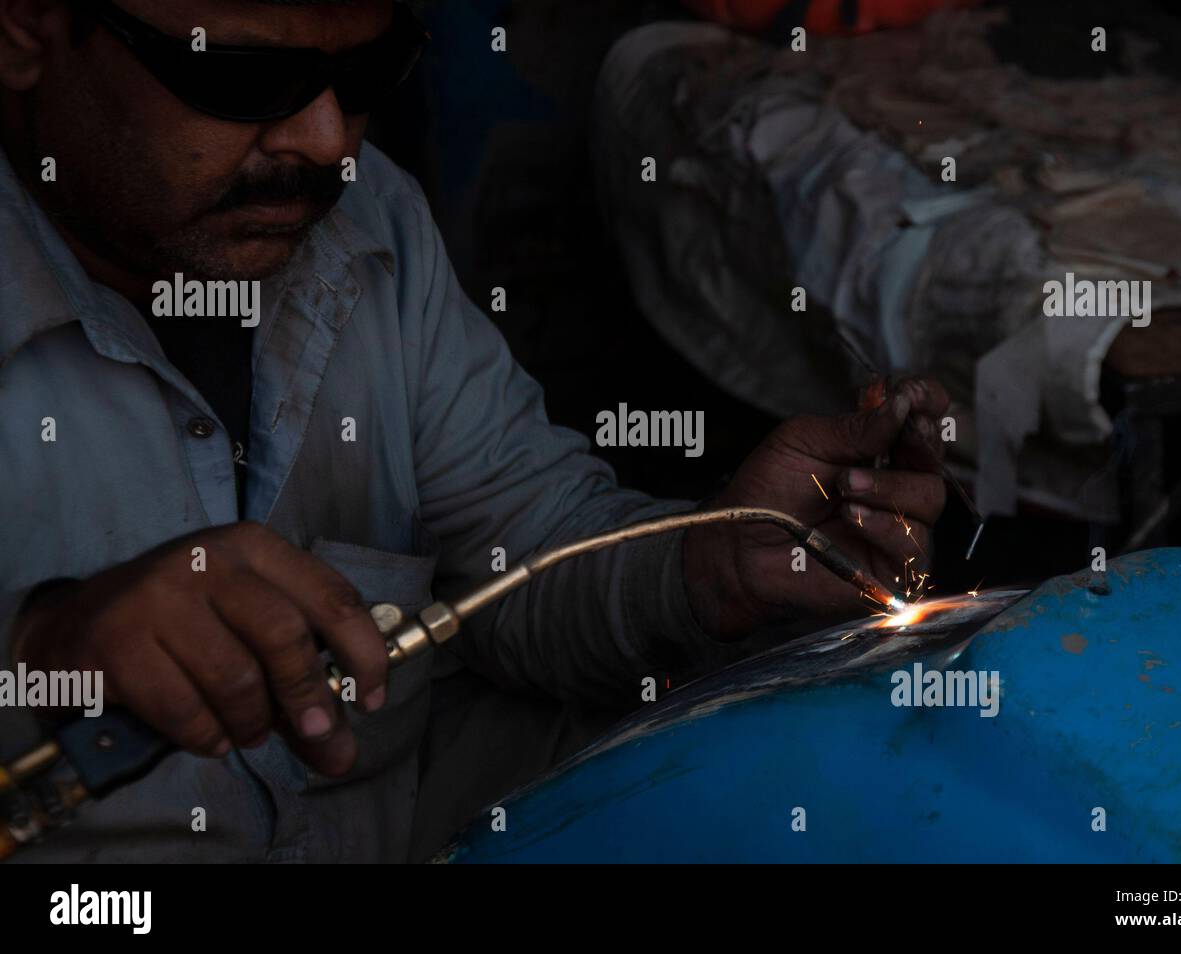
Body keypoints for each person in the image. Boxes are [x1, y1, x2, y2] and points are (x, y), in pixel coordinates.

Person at [0, 0, 948, 861]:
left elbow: (516, 546)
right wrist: (41, 653)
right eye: (245, 78)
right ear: (26, 29)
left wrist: (711, 567)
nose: (328, 142)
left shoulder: (368, 220)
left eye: (368, 75)